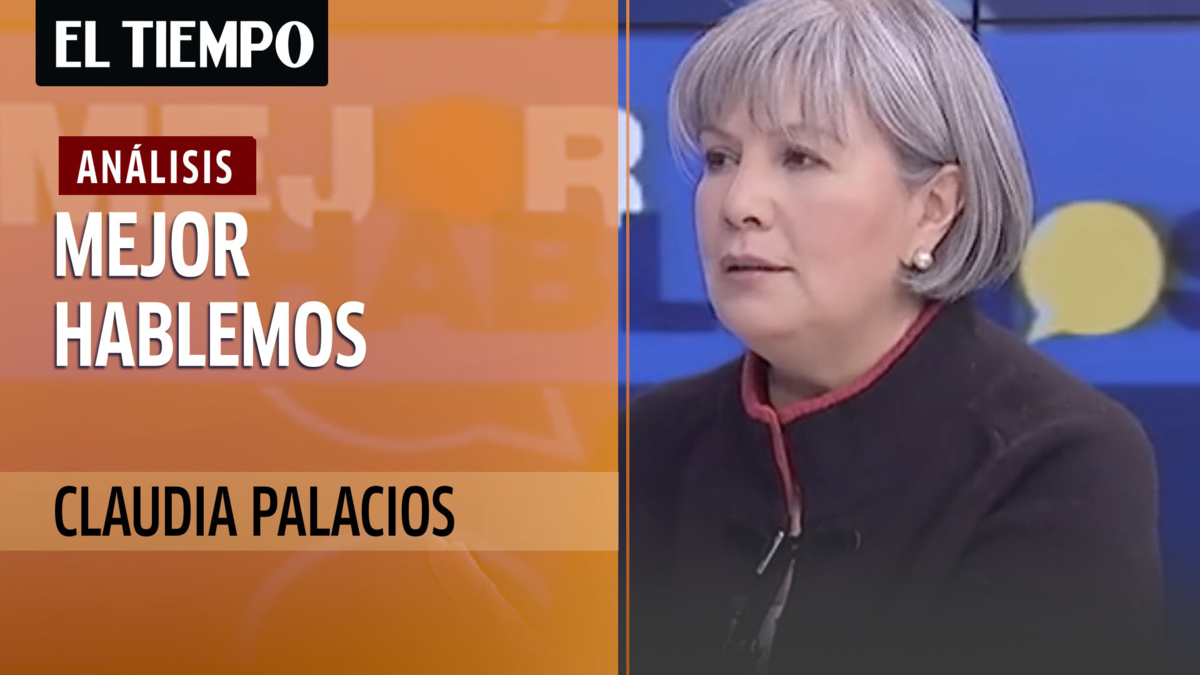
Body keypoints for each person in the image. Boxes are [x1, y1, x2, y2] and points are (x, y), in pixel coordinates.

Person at [622, 0, 1164, 673]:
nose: (738, 203)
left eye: (800, 157)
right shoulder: (647, 446)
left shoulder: (1057, 460)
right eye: (720, 157)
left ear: (933, 209)